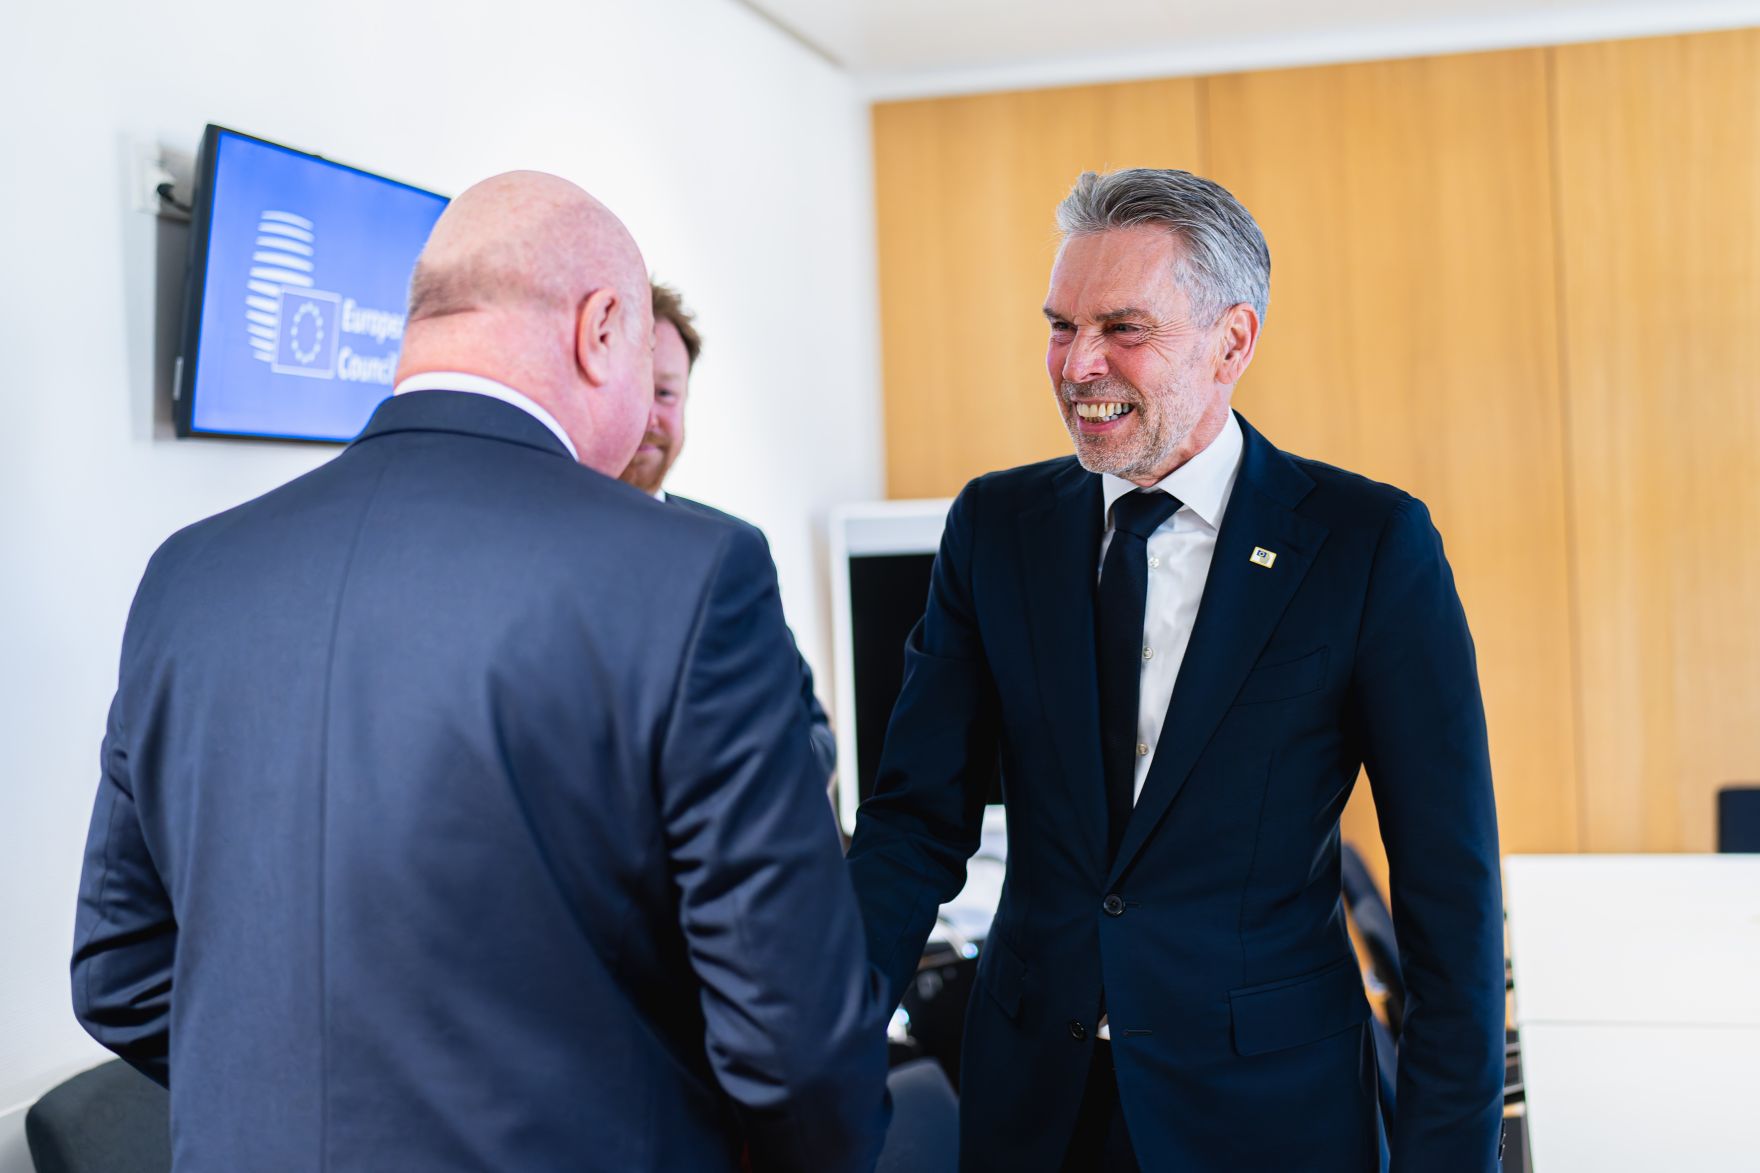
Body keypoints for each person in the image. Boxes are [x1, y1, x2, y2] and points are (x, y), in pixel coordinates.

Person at [70, 171, 888, 1173]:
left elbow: (119, 975)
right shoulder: (687, 576)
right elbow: (795, 1041)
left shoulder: (189, 576)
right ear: (599, 330)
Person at [846, 168, 1504, 1172]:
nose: (1077, 364)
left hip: (1268, 1113)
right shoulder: (995, 528)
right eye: (1059, 327)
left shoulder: (1365, 546)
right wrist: (819, 1037)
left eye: (1122, 328)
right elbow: (910, 824)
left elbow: (1445, 895)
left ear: (1230, 341)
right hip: (1035, 1107)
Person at [620, 282, 838, 785]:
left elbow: (813, 733)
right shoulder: (545, 548)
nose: (651, 415)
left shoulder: (734, 549)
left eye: (667, 392)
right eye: (635, 389)